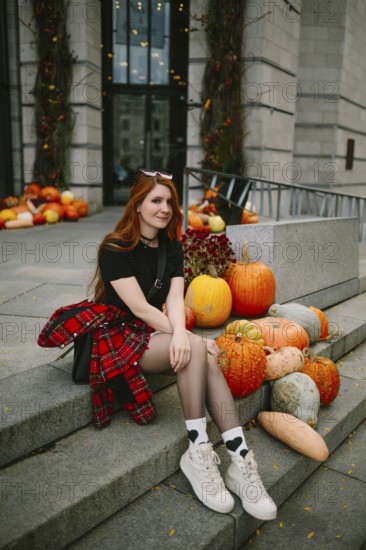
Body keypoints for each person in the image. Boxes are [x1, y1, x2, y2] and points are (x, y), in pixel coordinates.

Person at [89, 168, 277, 520]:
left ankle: (239, 459)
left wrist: (181, 333)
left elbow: (175, 299)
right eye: (155, 201)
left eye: (169, 202)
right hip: (118, 335)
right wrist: (185, 337)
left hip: (152, 331)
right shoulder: (114, 249)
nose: (164, 208)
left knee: (196, 352)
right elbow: (140, 308)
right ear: (138, 204)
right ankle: (198, 449)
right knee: (195, 352)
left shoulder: (171, 245)